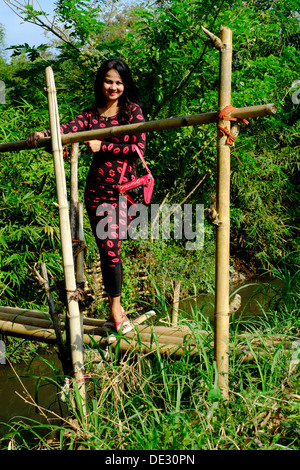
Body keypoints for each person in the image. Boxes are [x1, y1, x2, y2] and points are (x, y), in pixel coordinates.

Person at [27, 58, 146, 334]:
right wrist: (43, 134)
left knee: (111, 249)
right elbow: (66, 130)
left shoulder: (132, 111)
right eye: (108, 81)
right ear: (100, 83)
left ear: (125, 84)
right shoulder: (91, 115)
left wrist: (102, 145)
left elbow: (138, 148)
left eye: (118, 82)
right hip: (96, 193)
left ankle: (116, 310)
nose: (113, 87)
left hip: (123, 192)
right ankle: (115, 311)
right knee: (108, 250)